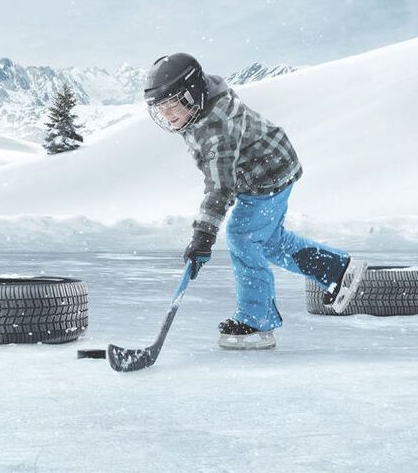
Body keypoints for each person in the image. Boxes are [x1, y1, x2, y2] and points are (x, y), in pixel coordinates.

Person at [143, 52, 369, 350]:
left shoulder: (215, 127)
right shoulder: (198, 111)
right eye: (163, 108)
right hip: (265, 167)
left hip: (268, 172)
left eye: (175, 104)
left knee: (243, 237)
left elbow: (219, 187)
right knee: (269, 241)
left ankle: (257, 323)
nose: (170, 115)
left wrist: (203, 235)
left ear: (194, 91)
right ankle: (338, 270)